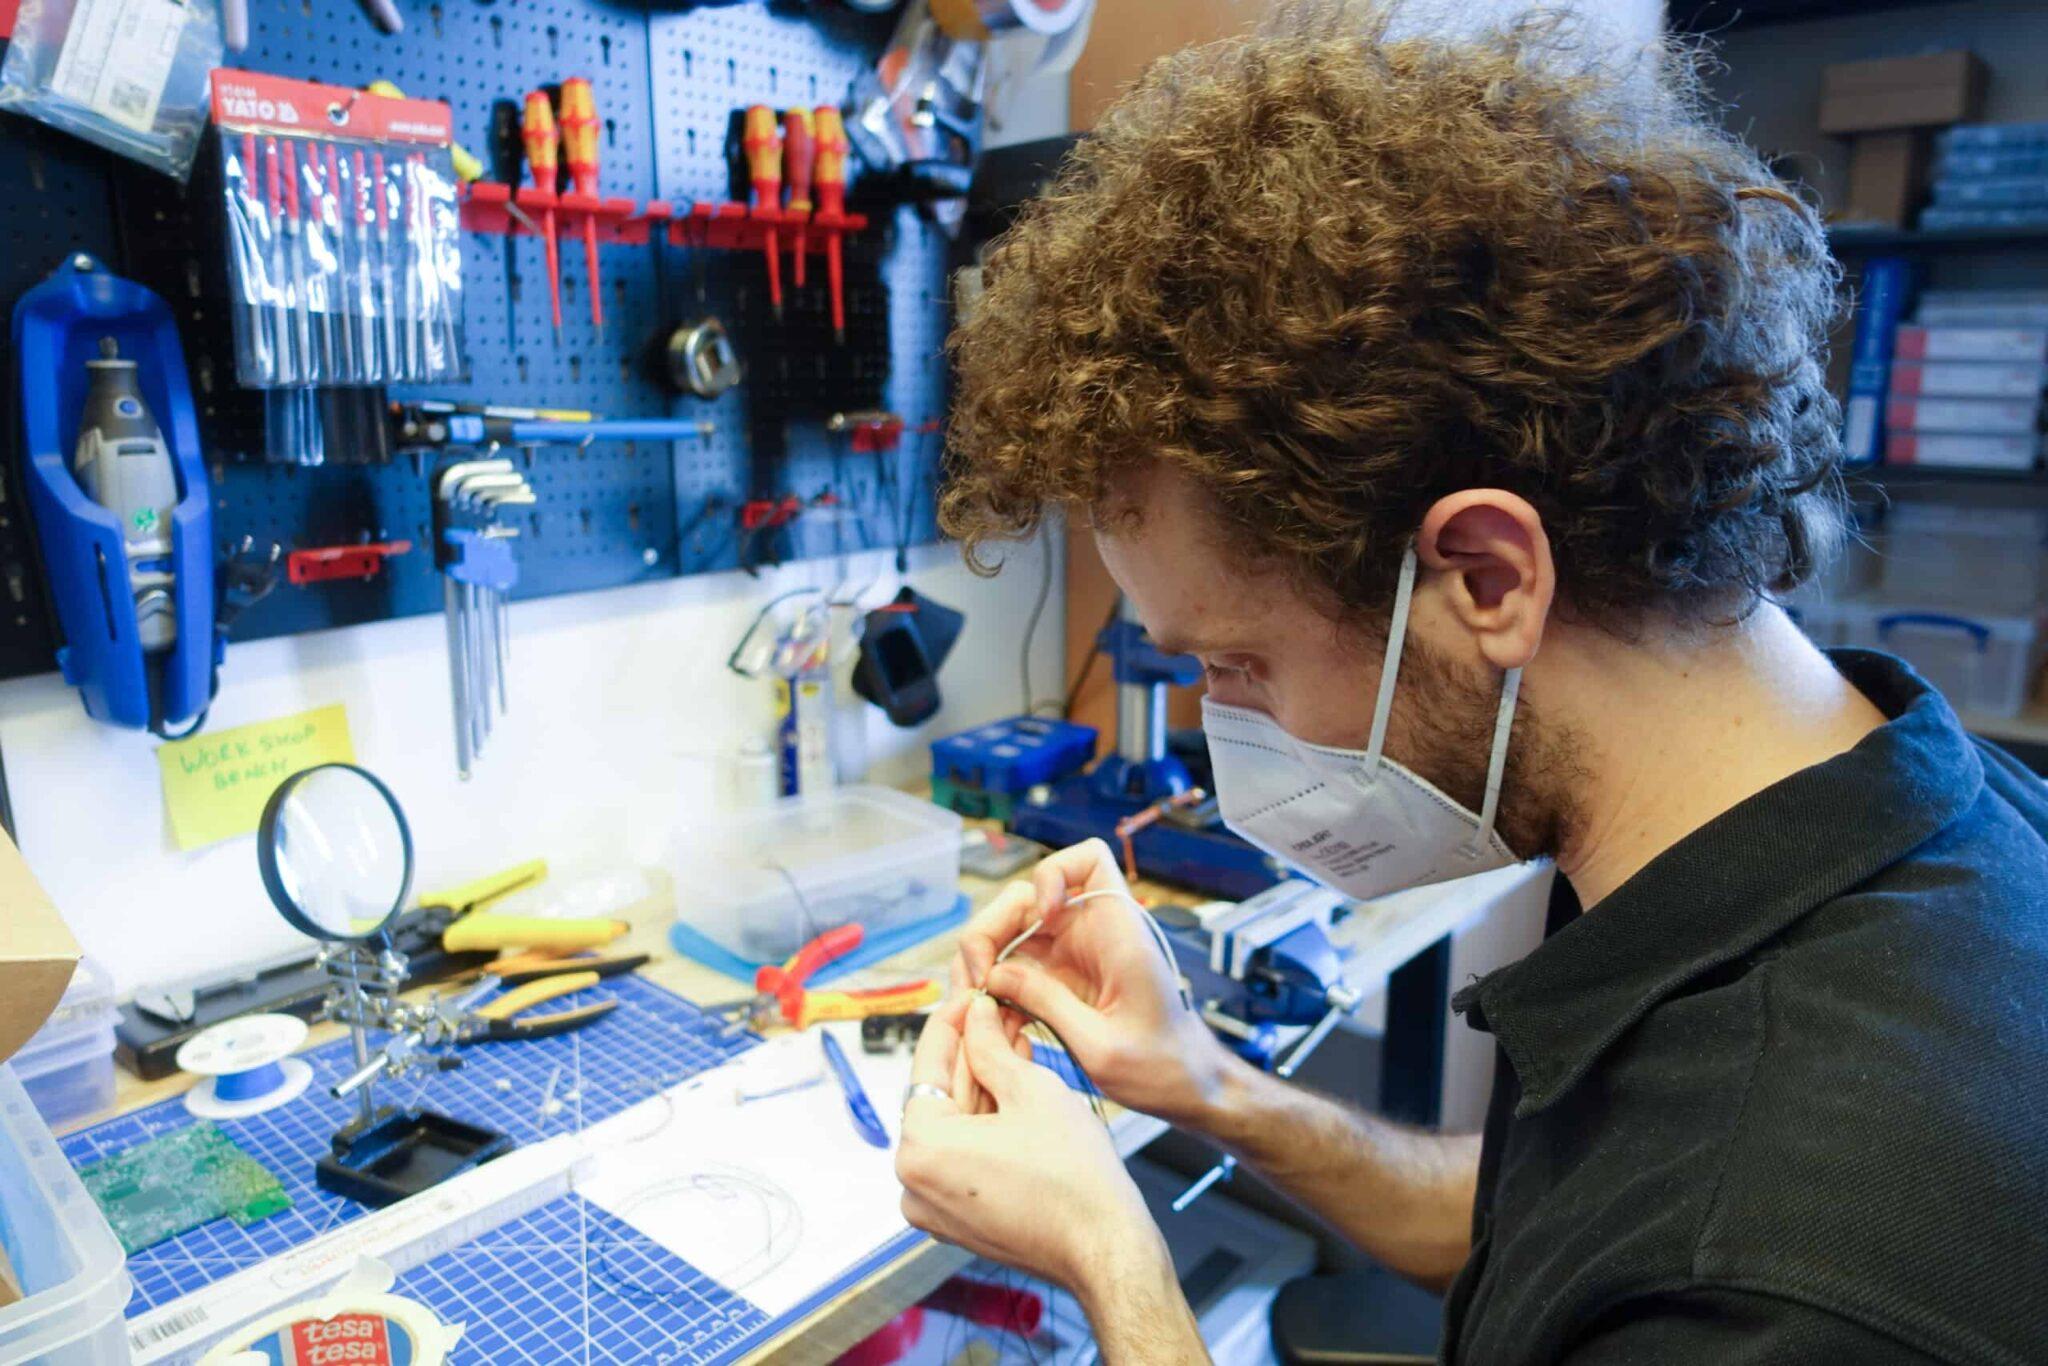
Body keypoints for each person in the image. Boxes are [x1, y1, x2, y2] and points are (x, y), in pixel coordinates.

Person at [892, 4, 2048, 1363]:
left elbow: (1679, 1252)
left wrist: (1113, 1259)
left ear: (1488, 579)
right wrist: (1206, 1086)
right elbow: (1543, 1233)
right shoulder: (1856, 819)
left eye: (1235, 661)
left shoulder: (1782, 1278)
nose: (1225, 727)